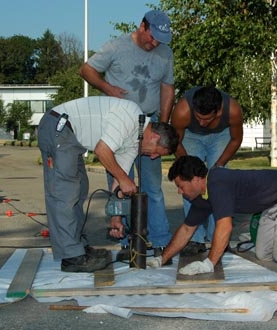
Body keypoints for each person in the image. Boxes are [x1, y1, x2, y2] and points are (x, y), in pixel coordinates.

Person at [148, 155, 277, 275]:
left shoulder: (217, 182)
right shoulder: (200, 197)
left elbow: (225, 226)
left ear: (195, 179)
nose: (179, 191)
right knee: (263, 255)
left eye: (180, 185)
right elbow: (186, 229)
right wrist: (162, 259)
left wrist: (209, 263)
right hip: (274, 204)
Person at [37, 96, 178, 273]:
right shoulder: (130, 116)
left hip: (71, 138)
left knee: (79, 190)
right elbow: (102, 151)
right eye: (157, 152)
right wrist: (125, 180)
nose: (153, 157)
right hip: (58, 126)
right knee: (65, 193)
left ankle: (78, 246)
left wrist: (116, 217)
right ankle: (71, 256)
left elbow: (118, 181)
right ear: (155, 137)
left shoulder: (135, 143)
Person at [80, 10, 175, 258]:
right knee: (121, 183)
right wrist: (107, 87)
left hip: (149, 124)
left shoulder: (165, 53)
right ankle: (127, 241)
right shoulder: (116, 47)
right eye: (152, 37)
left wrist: (161, 127)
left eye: (159, 40)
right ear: (142, 26)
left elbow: (167, 89)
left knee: (152, 187)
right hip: (118, 125)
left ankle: (160, 240)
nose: (154, 44)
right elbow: (87, 70)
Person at [170, 86, 243, 255]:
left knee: (219, 183)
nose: (202, 123)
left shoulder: (232, 110)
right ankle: (194, 240)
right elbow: (176, 142)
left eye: (206, 119)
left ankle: (218, 238)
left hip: (221, 135)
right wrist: (187, 166)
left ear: (218, 112)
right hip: (190, 136)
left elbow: (236, 139)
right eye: (198, 117)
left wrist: (219, 166)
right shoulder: (182, 111)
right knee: (189, 183)